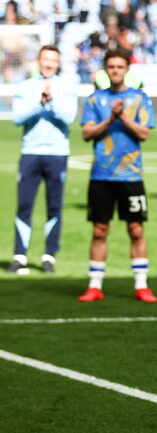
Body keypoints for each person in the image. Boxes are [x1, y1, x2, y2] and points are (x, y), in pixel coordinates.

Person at [77, 50, 157, 303]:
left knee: (135, 229)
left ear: (127, 70)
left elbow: (144, 134)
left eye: (119, 66)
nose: (115, 71)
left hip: (131, 176)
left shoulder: (139, 98)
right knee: (100, 229)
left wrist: (121, 116)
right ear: (105, 70)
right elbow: (87, 134)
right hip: (101, 175)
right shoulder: (95, 100)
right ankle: (94, 285)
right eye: (110, 66)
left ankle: (141, 285)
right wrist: (110, 118)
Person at [9, 45, 77, 275]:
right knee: (24, 205)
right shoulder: (26, 86)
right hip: (30, 152)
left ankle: (49, 256)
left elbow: (68, 117)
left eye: (53, 60)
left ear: (58, 63)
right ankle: (20, 255)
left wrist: (52, 100)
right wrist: (39, 102)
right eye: (45, 59)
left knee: (54, 206)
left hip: (57, 153)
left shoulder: (66, 87)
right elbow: (17, 118)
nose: (49, 64)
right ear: (39, 60)